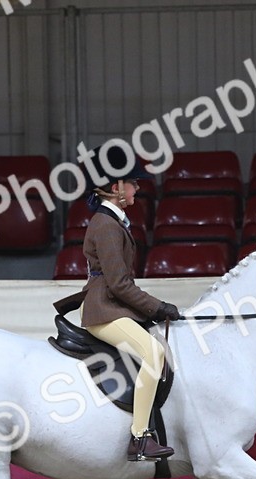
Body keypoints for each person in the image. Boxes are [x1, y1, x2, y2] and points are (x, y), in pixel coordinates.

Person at [54, 150, 181, 462]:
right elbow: (119, 284)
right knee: (153, 353)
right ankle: (140, 438)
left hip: (112, 306)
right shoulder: (107, 225)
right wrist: (158, 307)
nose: (137, 188)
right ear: (115, 187)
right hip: (104, 310)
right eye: (133, 183)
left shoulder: (113, 221)